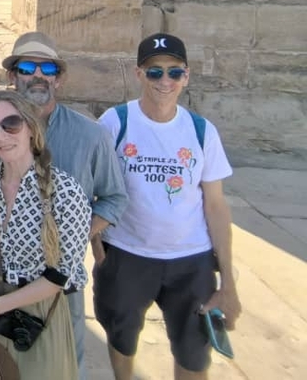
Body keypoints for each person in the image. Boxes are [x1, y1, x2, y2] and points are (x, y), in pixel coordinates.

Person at [94, 33, 241, 380]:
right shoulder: (116, 123)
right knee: (121, 338)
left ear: (186, 76)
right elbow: (94, 189)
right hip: (128, 254)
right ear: (139, 74)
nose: (165, 81)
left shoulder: (202, 130)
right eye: (155, 72)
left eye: (174, 72)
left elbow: (216, 206)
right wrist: (98, 249)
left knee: (194, 353)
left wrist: (229, 282)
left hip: (190, 260)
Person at [0, 31, 128, 378]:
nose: (38, 74)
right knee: (0, 365)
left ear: (58, 78)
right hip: (1, 280)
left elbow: (114, 198)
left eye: (47, 67)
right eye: (28, 66)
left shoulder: (90, 136)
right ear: (12, 76)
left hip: (60, 283)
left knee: (63, 367)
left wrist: (75, 234)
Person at [0, 90, 91, 380]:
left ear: (31, 127)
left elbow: (61, 274)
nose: (1, 136)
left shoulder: (65, 191)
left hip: (38, 318)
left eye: (10, 124)